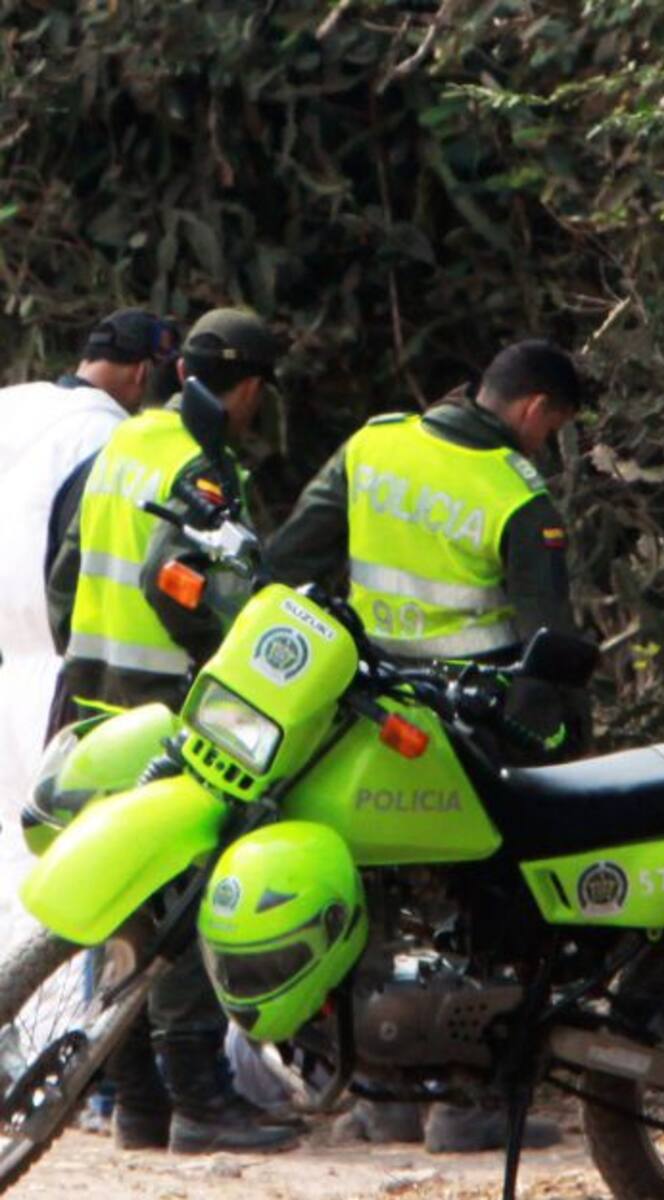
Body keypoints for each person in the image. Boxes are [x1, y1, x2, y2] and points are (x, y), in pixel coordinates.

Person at [266, 337, 590, 1152]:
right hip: (465, 719)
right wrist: (544, 743)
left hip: (360, 707)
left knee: (366, 888)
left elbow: (288, 560)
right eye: (550, 430)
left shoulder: (373, 445)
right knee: (493, 894)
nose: (543, 444)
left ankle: (378, 1096)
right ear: (535, 410)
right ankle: (471, 1104)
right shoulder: (517, 494)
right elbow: (544, 640)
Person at [46, 307, 300, 1155]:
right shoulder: (203, 465)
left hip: (97, 704)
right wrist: (227, 670)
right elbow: (179, 582)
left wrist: (83, 664)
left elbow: (64, 571)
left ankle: (136, 1101)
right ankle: (198, 1098)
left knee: (127, 904)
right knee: (183, 905)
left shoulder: (124, 443)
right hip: (171, 711)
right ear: (251, 388)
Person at [0, 308, 176, 958]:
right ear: (140, 374)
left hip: (6, 667)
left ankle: (12, 1043)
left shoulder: (16, 407)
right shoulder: (108, 441)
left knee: (8, 866)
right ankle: (70, 1046)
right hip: (60, 673)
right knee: (70, 867)